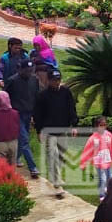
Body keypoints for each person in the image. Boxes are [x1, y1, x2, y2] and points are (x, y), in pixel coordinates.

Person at [34, 69, 78, 198]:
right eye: (54, 80)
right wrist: (39, 130)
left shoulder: (66, 92)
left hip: (63, 130)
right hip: (49, 132)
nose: (56, 82)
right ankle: (57, 184)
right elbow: (38, 115)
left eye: (58, 79)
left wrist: (74, 126)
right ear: (48, 80)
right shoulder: (42, 96)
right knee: (52, 156)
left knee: (61, 156)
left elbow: (72, 109)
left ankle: (55, 176)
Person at [5, 60, 41, 178]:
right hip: (16, 115)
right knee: (24, 140)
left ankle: (14, 159)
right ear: (20, 69)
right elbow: (5, 97)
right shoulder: (12, 81)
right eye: (26, 71)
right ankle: (33, 167)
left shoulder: (34, 80)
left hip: (28, 113)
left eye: (31, 71)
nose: (28, 73)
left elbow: (36, 97)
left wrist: (35, 116)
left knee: (22, 140)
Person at [79, 116, 112, 198]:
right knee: (102, 179)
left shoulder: (109, 135)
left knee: (110, 178)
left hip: (108, 161)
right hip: (99, 162)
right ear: (96, 126)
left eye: (105, 125)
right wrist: (83, 163)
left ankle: (109, 193)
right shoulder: (93, 138)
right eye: (101, 125)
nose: (103, 127)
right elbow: (87, 151)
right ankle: (102, 196)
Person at [0, 91, 21, 168]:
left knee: (2, 166)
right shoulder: (15, 113)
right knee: (13, 164)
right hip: (13, 142)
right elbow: (18, 126)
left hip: (0, 143)